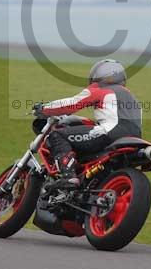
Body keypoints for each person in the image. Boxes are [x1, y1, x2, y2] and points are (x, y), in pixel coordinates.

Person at [35, 59, 142, 189]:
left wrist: (44, 108)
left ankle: (69, 177)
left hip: (110, 133)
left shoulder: (100, 88)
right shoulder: (132, 96)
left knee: (57, 135)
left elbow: (72, 104)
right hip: (134, 139)